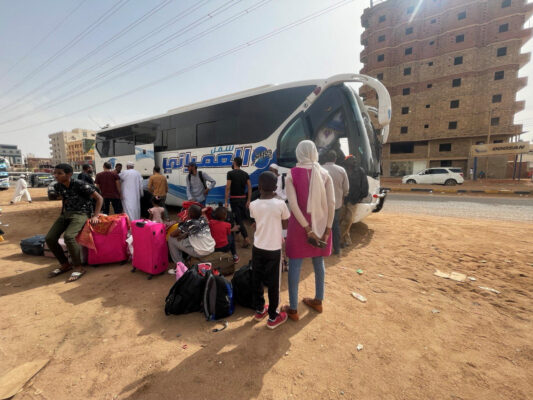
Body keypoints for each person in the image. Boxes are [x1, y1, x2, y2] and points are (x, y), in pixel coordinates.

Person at [283, 140, 335, 321]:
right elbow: (332, 204)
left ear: (299, 153)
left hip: (299, 227)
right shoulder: (325, 174)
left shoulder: (292, 174)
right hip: (321, 225)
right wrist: (327, 229)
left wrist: (306, 228)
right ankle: (318, 301)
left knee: (295, 266)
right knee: (318, 262)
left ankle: (293, 309)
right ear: (314, 152)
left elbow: (293, 204)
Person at [46, 163, 103, 282]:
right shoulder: (58, 186)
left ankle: (78, 267)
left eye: (59, 173)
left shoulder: (80, 184)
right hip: (66, 214)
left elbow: (99, 198)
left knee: (69, 237)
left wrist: (95, 215)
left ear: (69, 174)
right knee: (50, 238)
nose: (56, 175)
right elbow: (65, 198)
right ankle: (65, 264)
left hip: (81, 213)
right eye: (55, 173)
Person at [249, 171, 291, 329]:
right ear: (275, 187)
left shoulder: (253, 204)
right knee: (274, 283)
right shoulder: (280, 204)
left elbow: (258, 220)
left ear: (259, 186)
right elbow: (285, 225)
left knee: (257, 278)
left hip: (258, 247)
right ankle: (273, 316)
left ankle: (260, 309)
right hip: (274, 249)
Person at [321, 150, 349, 256]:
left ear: (325, 158)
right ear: (335, 159)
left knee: (322, 225)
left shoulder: (319, 169)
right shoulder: (341, 170)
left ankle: (322, 248)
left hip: (322, 204)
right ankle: (336, 248)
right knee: (335, 225)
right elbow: (346, 188)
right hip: (336, 204)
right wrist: (343, 197)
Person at [339, 155, 369, 246]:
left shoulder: (360, 171)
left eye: (353, 161)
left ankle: (338, 239)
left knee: (348, 220)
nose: (351, 162)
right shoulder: (342, 170)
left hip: (354, 199)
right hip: (343, 199)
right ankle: (346, 240)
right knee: (341, 220)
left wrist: (361, 197)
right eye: (349, 161)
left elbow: (364, 185)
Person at [224, 156, 252, 248]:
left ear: (235, 163)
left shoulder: (230, 173)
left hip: (234, 199)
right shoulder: (245, 174)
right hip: (243, 199)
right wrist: (248, 200)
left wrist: (226, 201)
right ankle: (237, 236)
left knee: (238, 220)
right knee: (240, 218)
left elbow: (228, 188)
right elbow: (249, 187)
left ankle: (246, 238)